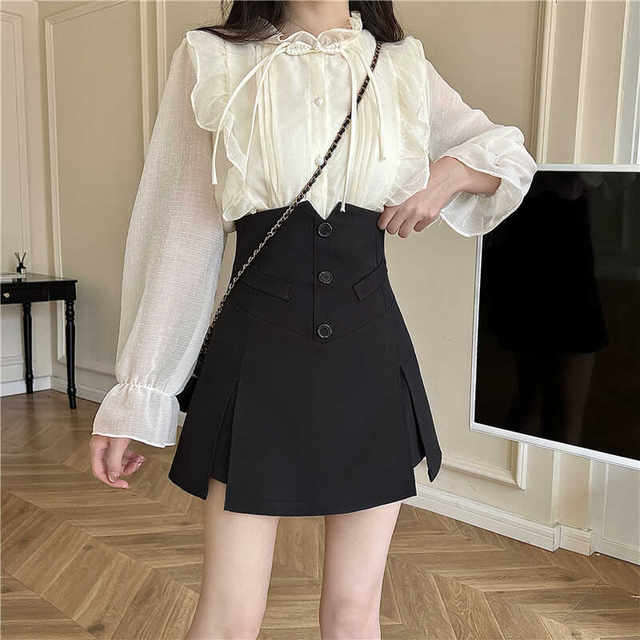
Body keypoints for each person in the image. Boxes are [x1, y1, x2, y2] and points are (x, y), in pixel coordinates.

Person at [89, 1, 538, 637]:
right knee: (228, 615)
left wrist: (448, 174)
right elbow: (178, 234)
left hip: (368, 356)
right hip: (256, 358)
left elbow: (509, 155)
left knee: (356, 609)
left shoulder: (400, 64)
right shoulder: (214, 58)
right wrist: (139, 395)